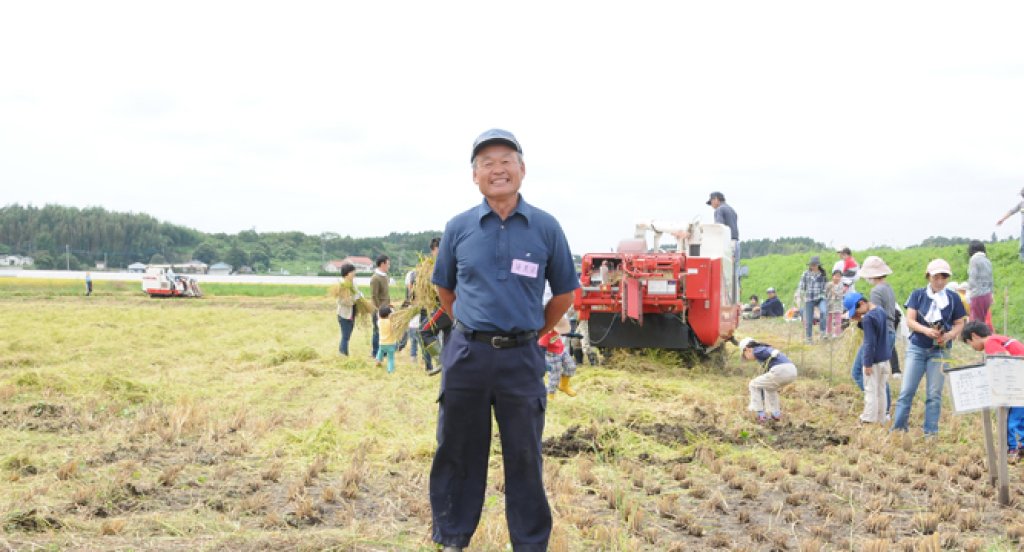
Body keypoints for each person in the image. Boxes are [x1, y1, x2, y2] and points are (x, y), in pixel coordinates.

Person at [429, 129, 579, 551]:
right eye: (487, 163)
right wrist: (472, 329)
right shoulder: (459, 227)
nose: (498, 170)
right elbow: (445, 290)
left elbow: (565, 293)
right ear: (474, 175)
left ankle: (530, 544)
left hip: (522, 359)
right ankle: (452, 537)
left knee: (525, 455)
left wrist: (532, 332)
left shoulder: (545, 227)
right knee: (457, 449)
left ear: (522, 169)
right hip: (467, 356)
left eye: (506, 160)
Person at [891, 259, 967, 435]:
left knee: (934, 394)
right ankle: (898, 429)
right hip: (917, 348)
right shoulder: (917, 295)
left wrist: (949, 335)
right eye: (936, 277)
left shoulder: (953, 298)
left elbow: (959, 323)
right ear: (928, 277)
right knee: (907, 391)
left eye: (944, 277)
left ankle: (930, 433)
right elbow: (910, 320)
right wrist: (926, 330)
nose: (940, 281)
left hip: (941, 350)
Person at [961, 321, 1024, 460]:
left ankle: (1013, 449)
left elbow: (1001, 362)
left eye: (969, 343)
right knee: (1020, 417)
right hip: (1020, 381)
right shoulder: (999, 338)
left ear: (974, 336)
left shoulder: (990, 342)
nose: (971, 347)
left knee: (1009, 419)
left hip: (1018, 385)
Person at [845, 292, 892, 425]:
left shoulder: (868, 319)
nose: (858, 315)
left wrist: (867, 363)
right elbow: (875, 328)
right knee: (881, 390)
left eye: (857, 311)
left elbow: (869, 342)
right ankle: (881, 418)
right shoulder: (880, 311)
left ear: (862, 303)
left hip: (874, 361)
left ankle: (868, 419)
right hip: (884, 359)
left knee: (871, 390)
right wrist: (861, 321)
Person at [739, 337, 797, 423]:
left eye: (745, 355)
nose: (746, 358)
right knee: (769, 388)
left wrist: (773, 352)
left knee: (753, 384)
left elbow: (769, 351)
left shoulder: (756, 350)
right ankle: (775, 414)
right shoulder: (761, 355)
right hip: (792, 371)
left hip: (781, 369)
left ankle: (760, 414)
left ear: (747, 349)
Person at [706, 191, 739, 302]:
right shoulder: (731, 210)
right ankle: (735, 301)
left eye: (711, 202)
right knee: (734, 274)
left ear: (716, 199)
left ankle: (725, 302)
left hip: (727, 244)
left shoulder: (719, 210)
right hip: (736, 243)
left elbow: (718, 229)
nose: (711, 206)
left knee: (724, 274)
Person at [539, 316, 577, 399]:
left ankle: (564, 385)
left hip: (562, 350)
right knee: (554, 375)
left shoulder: (557, 328)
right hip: (552, 355)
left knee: (571, 367)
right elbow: (541, 348)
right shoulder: (545, 335)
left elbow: (563, 333)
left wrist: (573, 334)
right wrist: (542, 362)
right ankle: (551, 394)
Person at [796, 256, 827, 343]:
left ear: (818, 265)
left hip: (821, 298)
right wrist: (798, 295)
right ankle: (809, 338)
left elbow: (825, 287)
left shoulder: (822, 274)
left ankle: (823, 333)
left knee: (824, 312)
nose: (812, 267)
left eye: (814, 265)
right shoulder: (806, 274)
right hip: (809, 298)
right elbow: (801, 286)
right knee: (809, 320)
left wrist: (825, 294)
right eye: (811, 265)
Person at [967, 240, 994, 329]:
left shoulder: (974, 260)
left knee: (976, 322)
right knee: (983, 319)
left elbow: (972, 278)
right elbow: (991, 278)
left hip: (977, 294)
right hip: (987, 295)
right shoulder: (987, 260)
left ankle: (980, 340)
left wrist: (969, 292)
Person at [335, 262, 361, 356]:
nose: (354, 273)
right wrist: (353, 300)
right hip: (344, 314)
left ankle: (343, 353)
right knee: (345, 336)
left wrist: (359, 297)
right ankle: (343, 354)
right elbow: (341, 301)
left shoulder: (353, 283)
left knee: (347, 336)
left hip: (352, 313)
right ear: (347, 273)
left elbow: (357, 293)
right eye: (353, 272)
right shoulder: (342, 285)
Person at [370, 255, 391, 359]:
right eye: (388, 264)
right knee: (377, 331)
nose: (389, 266)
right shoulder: (375, 278)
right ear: (382, 264)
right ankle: (375, 353)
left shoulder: (385, 276)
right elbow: (374, 296)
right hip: (379, 310)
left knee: (386, 331)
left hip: (386, 309)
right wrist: (379, 310)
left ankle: (384, 352)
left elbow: (385, 294)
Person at [995, 186, 1024, 261]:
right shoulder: (1021, 204)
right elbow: (1011, 211)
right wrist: (1002, 219)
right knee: (1022, 245)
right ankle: (1022, 261)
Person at [375, 305, 398, 373]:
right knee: (391, 358)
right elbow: (394, 317)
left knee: (380, 351)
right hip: (391, 343)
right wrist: (393, 310)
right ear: (389, 314)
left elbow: (378, 315)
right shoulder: (391, 322)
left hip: (382, 343)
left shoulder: (379, 322)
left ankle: (378, 361)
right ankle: (390, 370)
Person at [824, 269, 845, 338]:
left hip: (838, 304)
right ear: (833, 276)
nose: (837, 278)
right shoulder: (829, 284)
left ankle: (837, 333)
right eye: (836, 276)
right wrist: (829, 288)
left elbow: (840, 295)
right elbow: (825, 293)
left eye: (839, 276)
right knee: (829, 319)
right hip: (830, 303)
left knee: (838, 319)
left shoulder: (841, 285)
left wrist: (834, 292)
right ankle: (828, 332)